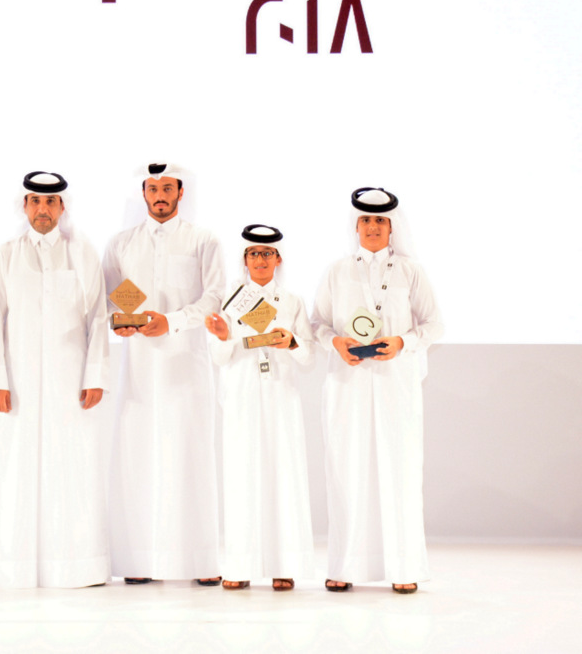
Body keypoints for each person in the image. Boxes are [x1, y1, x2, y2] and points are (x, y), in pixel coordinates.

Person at [0, 171, 110, 588]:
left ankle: (75, 565)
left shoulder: (83, 253)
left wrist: (96, 375)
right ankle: (11, 566)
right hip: (17, 383)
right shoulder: (5, 256)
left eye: (50, 202)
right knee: (15, 466)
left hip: (70, 383)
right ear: (24, 206)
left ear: (62, 207)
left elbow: (99, 318)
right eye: (35, 201)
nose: (42, 209)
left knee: (72, 465)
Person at [312, 187, 444, 594]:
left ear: (392, 226)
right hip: (347, 380)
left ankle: (403, 567)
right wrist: (336, 343)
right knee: (346, 468)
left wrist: (401, 343)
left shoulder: (410, 271)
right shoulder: (336, 270)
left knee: (398, 468)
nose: (373, 227)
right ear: (356, 225)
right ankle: (345, 566)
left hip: (396, 382)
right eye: (366, 220)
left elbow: (435, 325)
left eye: (380, 220)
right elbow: (318, 323)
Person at [102, 162, 224, 585]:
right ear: (143, 192)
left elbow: (214, 298)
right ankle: (139, 561)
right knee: (138, 459)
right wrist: (128, 320)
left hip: (185, 367)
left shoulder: (202, 240)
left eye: (167, 188)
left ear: (180, 193)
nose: (159, 195)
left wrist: (170, 321)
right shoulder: (121, 244)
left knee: (188, 456)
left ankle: (201, 562)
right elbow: (112, 299)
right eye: (152, 188)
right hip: (137, 368)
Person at [204, 225, 315, 591]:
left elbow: (309, 356)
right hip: (242, 392)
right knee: (241, 474)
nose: (261, 259)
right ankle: (239, 565)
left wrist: (292, 341)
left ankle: (284, 565)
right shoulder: (229, 299)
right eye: (254, 253)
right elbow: (219, 355)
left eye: (268, 253)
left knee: (283, 474)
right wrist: (223, 338)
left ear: (279, 259)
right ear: (245, 260)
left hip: (281, 394)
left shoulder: (293, 301)